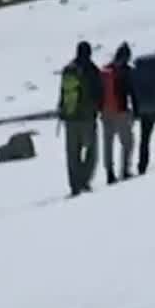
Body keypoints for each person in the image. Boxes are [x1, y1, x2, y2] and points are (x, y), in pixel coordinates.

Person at [56, 41, 103, 196]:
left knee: (72, 154)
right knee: (92, 151)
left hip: (70, 117)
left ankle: (74, 185)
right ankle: (84, 180)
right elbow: (99, 92)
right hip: (87, 117)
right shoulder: (92, 69)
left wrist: (62, 110)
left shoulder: (68, 70)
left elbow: (63, 93)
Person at [100, 43, 136, 183]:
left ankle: (110, 172)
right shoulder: (126, 71)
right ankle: (125, 169)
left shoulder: (105, 70)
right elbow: (131, 92)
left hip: (106, 112)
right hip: (121, 111)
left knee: (108, 143)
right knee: (127, 142)